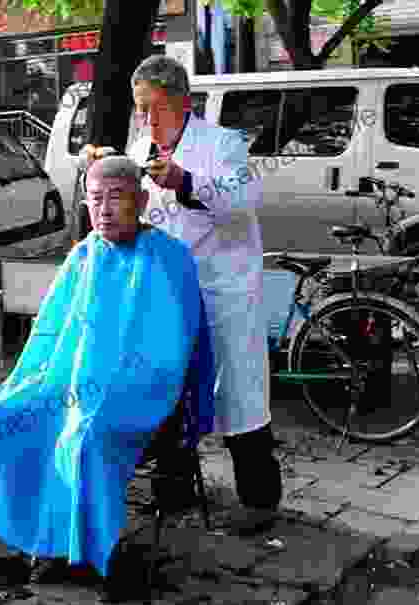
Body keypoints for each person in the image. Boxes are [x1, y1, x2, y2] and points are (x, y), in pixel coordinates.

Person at [0, 155, 215, 588]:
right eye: (95, 200)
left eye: (116, 198)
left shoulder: (169, 259)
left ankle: (86, 554)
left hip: (136, 396)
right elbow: (49, 336)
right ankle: (37, 541)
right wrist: (32, 385)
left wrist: (95, 395)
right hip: (64, 384)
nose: (104, 209)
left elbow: (166, 357)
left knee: (83, 438)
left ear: (143, 200)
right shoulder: (82, 257)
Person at [86, 55, 283, 529]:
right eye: (140, 109)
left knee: (240, 394)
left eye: (157, 108)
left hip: (224, 291)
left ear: (184, 103)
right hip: (167, 295)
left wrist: (186, 182)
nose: (148, 120)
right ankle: (174, 489)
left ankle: (259, 501)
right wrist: (104, 175)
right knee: (170, 390)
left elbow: (241, 204)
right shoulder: (139, 149)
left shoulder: (223, 145)